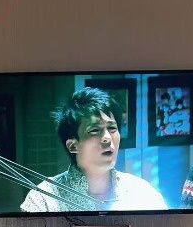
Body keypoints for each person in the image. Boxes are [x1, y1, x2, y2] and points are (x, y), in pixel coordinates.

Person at [21, 88, 168, 213]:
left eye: (112, 128)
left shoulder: (143, 194)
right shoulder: (43, 199)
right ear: (72, 145)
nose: (107, 138)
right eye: (95, 130)